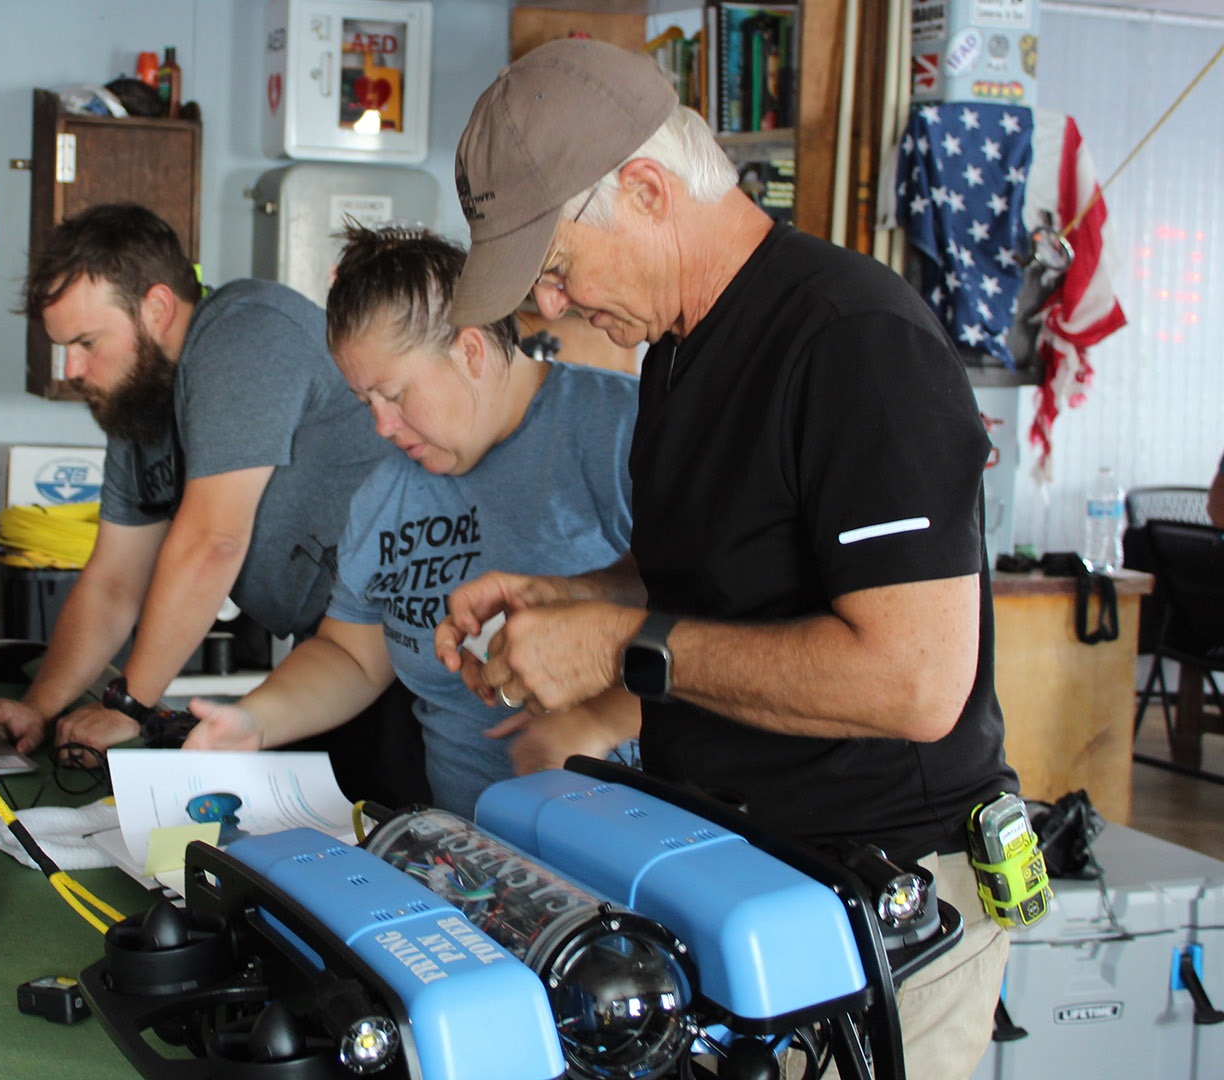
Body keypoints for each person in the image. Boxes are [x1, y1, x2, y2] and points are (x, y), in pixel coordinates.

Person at [432, 40, 1018, 1080]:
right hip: (736, 883)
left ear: (647, 190)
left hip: (883, 908)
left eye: (558, 270)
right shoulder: (682, 350)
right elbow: (720, 571)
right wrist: (570, 596)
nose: (553, 310)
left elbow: (918, 681)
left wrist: (618, 643)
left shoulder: (853, 341)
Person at [0, 203, 428, 808]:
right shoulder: (140, 414)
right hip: (335, 656)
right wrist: (38, 706)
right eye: (64, 348)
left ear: (157, 309)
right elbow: (112, 580)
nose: (72, 369)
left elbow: (215, 539)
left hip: (414, 658)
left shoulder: (243, 328)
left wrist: (129, 705)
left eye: (86, 342)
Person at [183, 225, 641, 817]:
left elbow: (732, 633)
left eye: (394, 395)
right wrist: (255, 720)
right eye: (364, 402)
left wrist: (600, 719)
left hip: (627, 843)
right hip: (469, 857)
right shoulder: (387, 490)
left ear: (470, 351)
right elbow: (351, 655)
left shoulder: (620, 432)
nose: (381, 425)